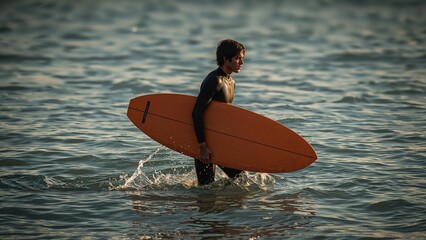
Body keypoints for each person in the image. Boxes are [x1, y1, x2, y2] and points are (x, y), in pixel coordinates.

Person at [192, 39, 246, 186]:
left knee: (241, 179)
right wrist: (202, 146)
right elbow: (196, 112)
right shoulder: (214, 81)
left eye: (242, 58)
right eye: (237, 58)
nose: (241, 62)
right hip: (205, 145)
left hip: (219, 142)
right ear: (225, 59)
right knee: (206, 190)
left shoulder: (231, 82)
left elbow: (223, 117)